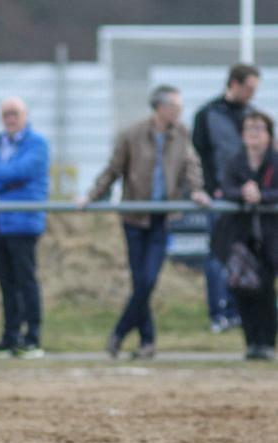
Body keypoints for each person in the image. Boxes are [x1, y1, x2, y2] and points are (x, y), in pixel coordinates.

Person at [81, 86, 209, 359]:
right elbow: (113, 170)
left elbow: (191, 165)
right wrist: (91, 195)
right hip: (134, 218)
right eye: (175, 106)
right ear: (160, 107)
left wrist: (196, 189)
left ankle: (120, 332)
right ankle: (147, 341)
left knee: (147, 280)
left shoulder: (181, 134)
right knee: (142, 281)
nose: (179, 112)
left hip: (162, 218)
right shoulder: (133, 134)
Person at [0, 97, 48, 358]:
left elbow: (20, 171)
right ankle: (10, 335)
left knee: (26, 280)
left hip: (23, 222)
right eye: (6, 113)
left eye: (14, 113)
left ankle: (32, 337)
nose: (10, 118)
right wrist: (3, 178)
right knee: (6, 282)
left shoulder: (37, 144)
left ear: (25, 115)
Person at [193, 64, 260, 333]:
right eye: (248, 88)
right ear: (234, 83)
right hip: (220, 198)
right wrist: (211, 189)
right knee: (218, 254)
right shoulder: (208, 114)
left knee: (247, 255)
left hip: (247, 198)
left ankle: (241, 311)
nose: (252, 94)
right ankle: (219, 312)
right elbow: (199, 155)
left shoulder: (252, 115)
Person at [211, 111, 278, 360]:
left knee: (266, 291)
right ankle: (251, 343)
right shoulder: (235, 161)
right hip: (240, 237)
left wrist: (263, 195)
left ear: (269, 134)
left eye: (259, 128)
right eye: (249, 128)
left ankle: (267, 343)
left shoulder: (274, 161)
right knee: (242, 289)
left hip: (270, 238)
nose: (253, 132)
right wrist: (243, 192)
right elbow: (224, 189)